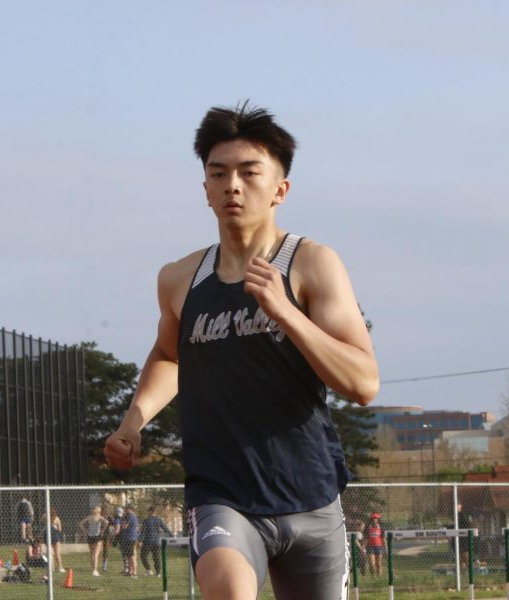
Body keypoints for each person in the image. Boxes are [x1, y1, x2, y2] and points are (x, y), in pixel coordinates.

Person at [104, 103, 379, 600]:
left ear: (280, 190)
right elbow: (170, 356)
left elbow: (363, 383)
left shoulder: (312, 265)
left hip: (309, 496)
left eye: (249, 173)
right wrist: (133, 422)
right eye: (218, 173)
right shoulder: (180, 279)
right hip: (222, 495)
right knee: (228, 590)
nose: (233, 184)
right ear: (205, 190)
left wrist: (287, 313)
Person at [139, 506, 172, 577]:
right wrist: (171, 535)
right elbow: (165, 528)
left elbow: (143, 531)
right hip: (156, 542)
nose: (147, 513)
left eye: (148, 511)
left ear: (151, 512)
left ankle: (149, 570)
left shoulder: (146, 520)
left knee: (143, 556)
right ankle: (158, 573)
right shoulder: (158, 520)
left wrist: (140, 540)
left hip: (148, 541)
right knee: (156, 557)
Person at [78, 505, 108, 576]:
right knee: (96, 554)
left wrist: (85, 531)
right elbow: (106, 522)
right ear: (98, 512)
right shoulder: (100, 517)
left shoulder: (89, 517)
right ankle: (95, 570)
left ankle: (93, 569)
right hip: (97, 536)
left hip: (90, 536)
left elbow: (81, 524)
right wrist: (102, 530)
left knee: (92, 554)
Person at [49, 507, 65, 573]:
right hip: (55, 535)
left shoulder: (46, 517)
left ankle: (52, 567)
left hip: (49, 534)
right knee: (57, 552)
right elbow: (60, 529)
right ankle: (60, 567)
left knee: (51, 552)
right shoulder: (57, 518)